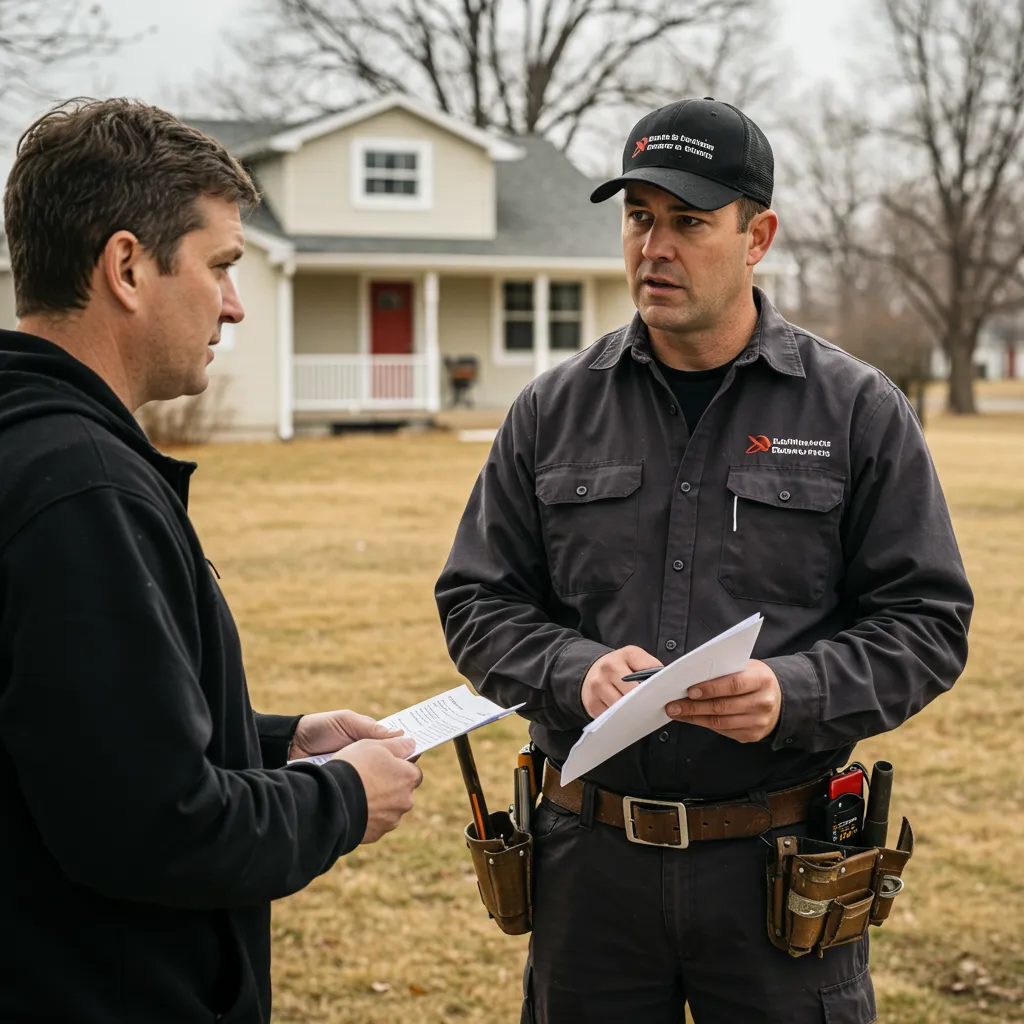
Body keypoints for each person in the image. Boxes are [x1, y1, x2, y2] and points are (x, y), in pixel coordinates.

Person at [435, 96, 973, 1023]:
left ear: (757, 234)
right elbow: (478, 601)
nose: (656, 247)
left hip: (779, 870)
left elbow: (927, 623)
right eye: (639, 218)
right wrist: (575, 669)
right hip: (587, 866)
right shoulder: (550, 412)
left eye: (689, 221)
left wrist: (793, 692)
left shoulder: (854, 411)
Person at [0, 99, 423, 1024]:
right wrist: (340, 799)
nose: (235, 302)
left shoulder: (33, 450)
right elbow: (154, 829)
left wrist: (274, 741)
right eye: (222, 266)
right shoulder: (80, 489)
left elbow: (70, 735)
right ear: (125, 267)